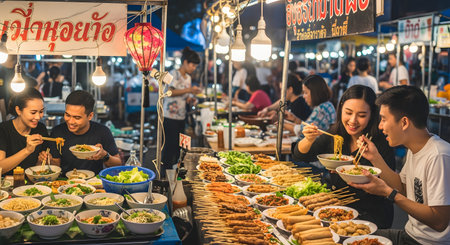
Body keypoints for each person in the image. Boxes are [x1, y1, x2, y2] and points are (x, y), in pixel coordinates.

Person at [349, 86, 450, 244]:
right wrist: (375, 158)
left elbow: (439, 221)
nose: (380, 126)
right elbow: (403, 188)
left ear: (404, 122)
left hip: (426, 243)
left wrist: (388, 193)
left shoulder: (439, 156)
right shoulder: (415, 149)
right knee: (350, 237)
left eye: (383, 119)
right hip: (409, 235)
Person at [293, 85, 395, 228]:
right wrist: (308, 139)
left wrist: (374, 158)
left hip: (371, 215)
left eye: (361, 115)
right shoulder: (336, 133)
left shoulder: (381, 141)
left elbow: (391, 184)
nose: (353, 120)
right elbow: (300, 156)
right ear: (341, 109)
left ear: (372, 114)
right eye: (348, 112)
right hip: (337, 209)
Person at [47, 90, 121, 174]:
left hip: (94, 183)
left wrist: (105, 155)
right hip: (65, 182)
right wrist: (49, 160)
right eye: (67, 115)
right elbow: (56, 165)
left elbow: (118, 164)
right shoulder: (57, 132)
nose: (71, 121)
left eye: (77, 117)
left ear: (90, 116)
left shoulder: (102, 131)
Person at [161, 47, 201, 175]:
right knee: (169, 147)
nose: (194, 68)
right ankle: (164, 175)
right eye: (193, 65)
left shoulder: (188, 78)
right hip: (169, 117)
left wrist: (190, 99)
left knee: (180, 147)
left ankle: (176, 173)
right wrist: (189, 91)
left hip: (181, 117)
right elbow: (168, 92)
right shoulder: (172, 74)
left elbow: (184, 96)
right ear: (185, 62)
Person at [0, 88, 48, 174]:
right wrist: (27, 150)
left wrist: (43, 160)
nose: (38, 117)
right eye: (33, 112)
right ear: (18, 110)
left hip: (33, 184)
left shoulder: (41, 129)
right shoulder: (3, 130)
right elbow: (0, 168)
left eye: (41, 111)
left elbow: (39, 169)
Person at [0, 55, 38, 120]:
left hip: (19, 112)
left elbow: (34, 84)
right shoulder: (1, 72)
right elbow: (1, 99)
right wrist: (4, 119)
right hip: (8, 113)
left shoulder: (19, 71)